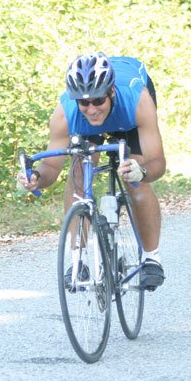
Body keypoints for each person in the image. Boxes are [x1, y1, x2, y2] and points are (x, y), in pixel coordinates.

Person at [18, 52, 166, 289]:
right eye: (84, 102)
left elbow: (158, 162)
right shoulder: (66, 114)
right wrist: (35, 178)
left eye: (98, 100)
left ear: (111, 93)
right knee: (78, 174)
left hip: (126, 118)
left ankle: (151, 259)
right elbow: (51, 168)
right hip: (89, 128)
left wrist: (142, 172)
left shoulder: (137, 100)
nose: (92, 108)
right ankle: (79, 261)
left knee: (134, 178)